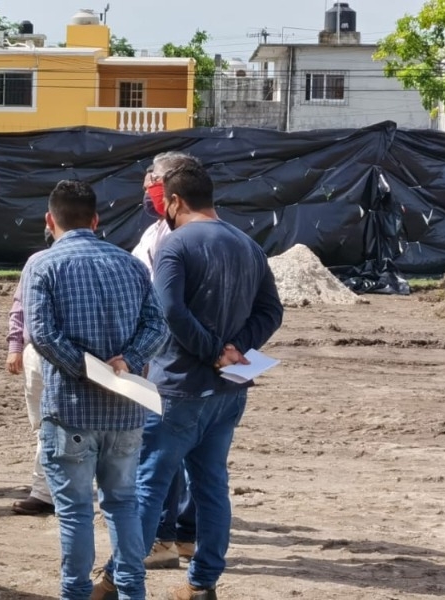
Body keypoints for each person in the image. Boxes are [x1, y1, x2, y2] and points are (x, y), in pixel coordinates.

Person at [130, 161, 283, 600]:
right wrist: (235, 348)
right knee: (212, 486)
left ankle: (125, 579)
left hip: (179, 388)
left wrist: (212, 349)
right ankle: (203, 583)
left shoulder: (176, 245)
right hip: (229, 389)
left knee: (150, 484)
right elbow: (271, 311)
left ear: (175, 201)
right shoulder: (248, 245)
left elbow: (170, 312)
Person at [23, 180, 169, 600]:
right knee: (123, 503)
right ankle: (131, 590)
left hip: (70, 409)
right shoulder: (130, 264)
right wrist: (126, 359)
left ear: (50, 221)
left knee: (74, 513)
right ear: (96, 219)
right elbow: (157, 326)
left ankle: (75, 593)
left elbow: (42, 335)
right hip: (125, 409)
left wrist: (84, 368)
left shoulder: (43, 265)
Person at [134, 152, 201, 571]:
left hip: (171, 363)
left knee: (162, 455)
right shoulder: (159, 230)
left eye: (153, 179)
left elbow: (167, 307)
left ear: (174, 189)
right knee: (196, 457)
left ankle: (164, 537)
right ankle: (187, 537)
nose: (145, 185)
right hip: (196, 365)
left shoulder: (173, 238)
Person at [4, 252, 54, 517]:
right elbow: (20, 305)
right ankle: (46, 491)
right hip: (37, 351)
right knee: (44, 427)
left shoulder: (106, 259)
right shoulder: (37, 260)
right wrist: (15, 346)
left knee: (59, 426)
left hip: (83, 354)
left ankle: (50, 492)